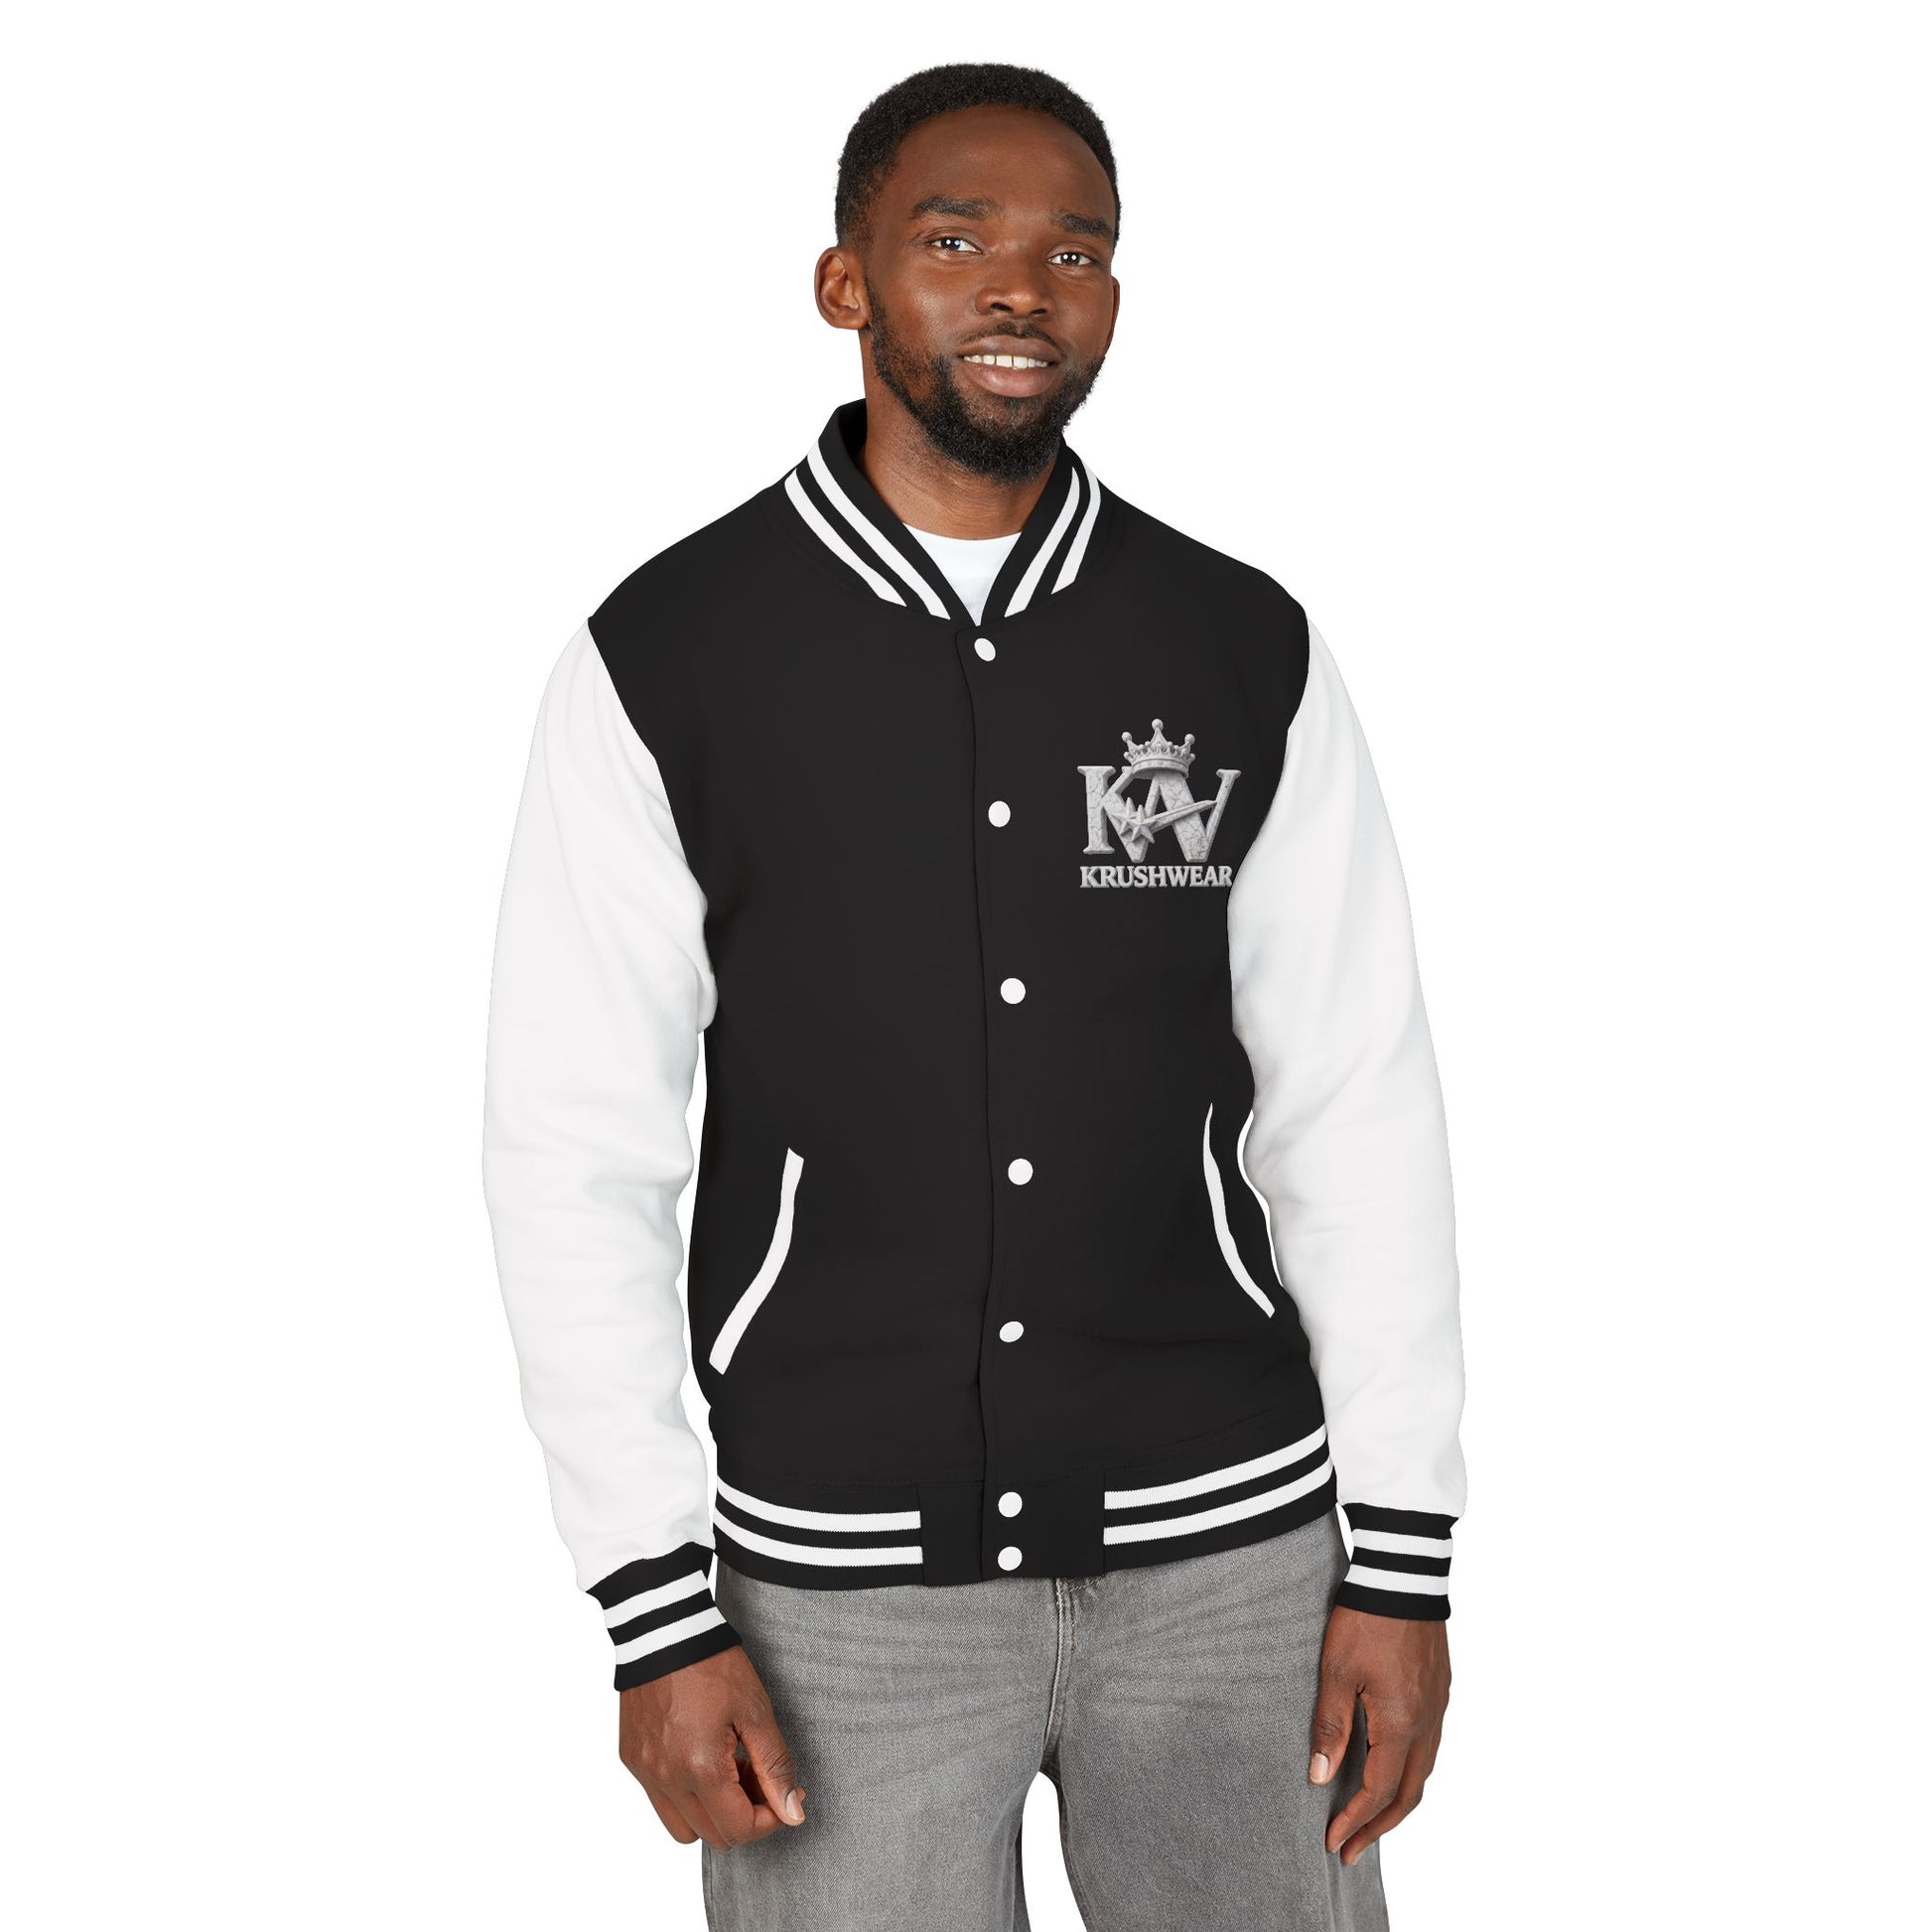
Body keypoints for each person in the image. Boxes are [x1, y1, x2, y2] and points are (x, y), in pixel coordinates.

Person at [483, 62, 1465, 1932]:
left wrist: (1401, 1558)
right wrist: (652, 1606)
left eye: (1074, 251)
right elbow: (572, 1149)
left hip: (1233, 1558)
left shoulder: (1234, 643)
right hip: (835, 1592)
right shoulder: (670, 656)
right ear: (844, 283)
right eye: (956, 240)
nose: (1024, 287)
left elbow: (1355, 1102)